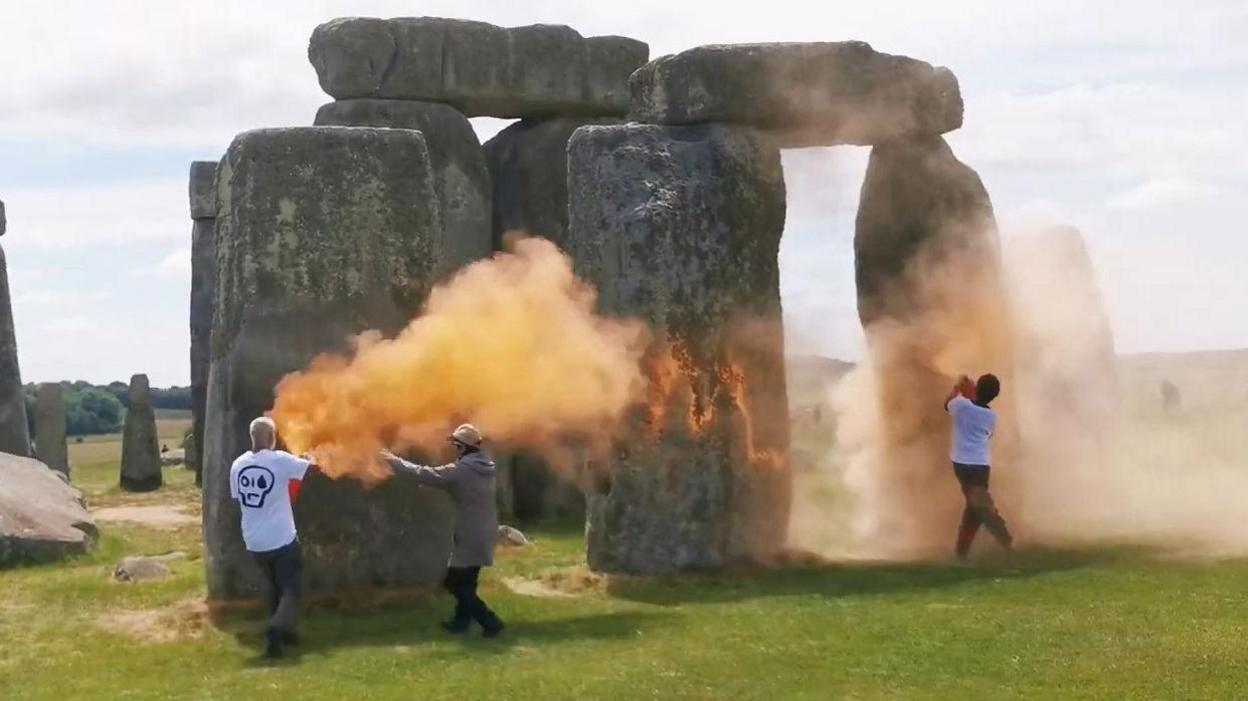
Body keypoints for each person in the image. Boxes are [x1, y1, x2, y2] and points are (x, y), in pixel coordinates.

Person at [381, 423, 504, 638]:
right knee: (468, 581)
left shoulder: (463, 469)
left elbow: (423, 474)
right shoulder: (485, 466)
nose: (455, 448)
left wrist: (392, 460)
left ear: (464, 447)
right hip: (484, 530)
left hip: (470, 533)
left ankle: (490, 621)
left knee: (454, 583)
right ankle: (461, 622)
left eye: (457, 445)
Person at [229, 416, 313, 658]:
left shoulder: (238, 464)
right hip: (282, 539)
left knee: (276, 588)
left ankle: (286, 634)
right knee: (291, 590)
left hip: (254, 542)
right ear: (270, 437)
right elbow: (310, 468)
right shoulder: (279, 460)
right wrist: (311, 455)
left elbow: (238, 499)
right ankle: (275, 632)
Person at [944, 374, 1013, 559]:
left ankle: (963, 551)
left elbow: (947, 404)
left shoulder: (961, 405)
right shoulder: (991, 415)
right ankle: (1003, 538)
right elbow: (988, 435)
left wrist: (958, 388)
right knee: (978, 505)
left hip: (960, 464)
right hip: (980, 465)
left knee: (975, 506)